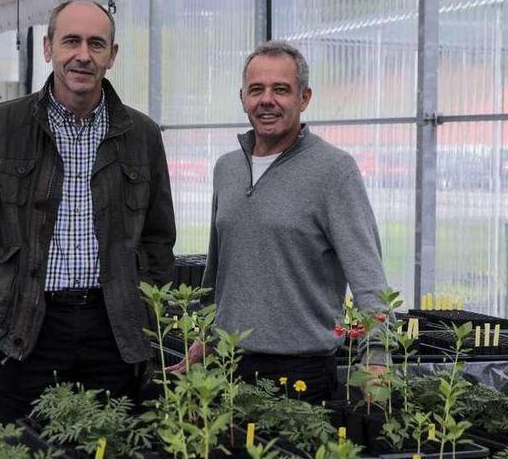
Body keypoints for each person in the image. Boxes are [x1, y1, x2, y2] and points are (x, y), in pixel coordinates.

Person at [0, 0, 176, 425]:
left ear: (112, 55)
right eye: (71, 41)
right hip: (22, 329)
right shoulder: (1, 126)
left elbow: (158, 239)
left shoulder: (142, 135)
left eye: (95, 43)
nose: (83, 55)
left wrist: (145, 316)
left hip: (114, 332)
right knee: (17, 448)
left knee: (109, 442)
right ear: (48, 48)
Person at [167, 41, 389, 403]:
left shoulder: (334, 171)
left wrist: (377, 359)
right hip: (227, 366)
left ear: (304, 98)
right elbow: (218, 270)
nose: (266, 100)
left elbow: (368, 278)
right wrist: (204, 339)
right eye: (257, 90)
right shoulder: (227, 169)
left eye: (280, 89)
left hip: (301, 374)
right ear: (242, 98)